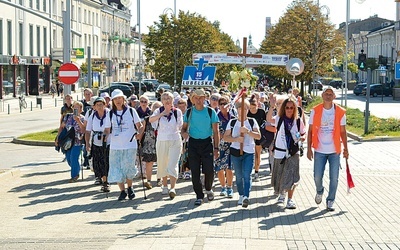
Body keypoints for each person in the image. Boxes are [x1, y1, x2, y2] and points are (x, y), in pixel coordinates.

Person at [307, 86, 349, 211]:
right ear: (322, 96)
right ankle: (319, 191)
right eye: (326, 93)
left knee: (334, 178)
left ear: (334, 97)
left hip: (334, 150)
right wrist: (309, 148)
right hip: (319, 150)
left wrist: (346, 148)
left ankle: (330, 200)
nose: (328, 96)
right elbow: (310, 131)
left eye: (331, 94)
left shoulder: (340, 112)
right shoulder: (315, 111)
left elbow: (343, 131)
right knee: (317, 176)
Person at [181, 88, 220, 206]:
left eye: (201, 98)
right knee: (195, 171)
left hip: (207, 143)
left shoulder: (210, 112)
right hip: (193, 144)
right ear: (192, 99)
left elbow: (216, 131)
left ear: (205, 98)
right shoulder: (189, 112)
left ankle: (208, 188)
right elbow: (183, 128)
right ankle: (199, 195)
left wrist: (216, 148)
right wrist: (184, 133)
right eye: (196, 98)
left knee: (209, 170)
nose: (198, 100)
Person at [267, 97, 306, 209]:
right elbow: (269, 119)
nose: (289, 110)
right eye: (287, 107)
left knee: (292, 175)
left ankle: (290, 199)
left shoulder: (298, 121)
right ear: (284, 108)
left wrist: (302, 138)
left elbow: (303, 133)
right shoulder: (279, 119)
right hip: (280, 152)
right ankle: (281, 194)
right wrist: (272, 106)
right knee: (280, 175)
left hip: (293, 152)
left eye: (291, 107)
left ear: (295, 109)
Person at [104, 89, 143, 201]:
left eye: (119, 98)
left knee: (128, 167)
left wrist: (139, 134)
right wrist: (105, 135)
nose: (118, 101)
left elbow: (139, 125)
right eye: (115, 99)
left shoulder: (131, 111)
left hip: (130, 144)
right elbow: (107, 129)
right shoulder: (110, 114)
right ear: (112, 101)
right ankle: (122, 191)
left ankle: (130, 187)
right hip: (115, 146)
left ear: (123, 99)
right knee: (116, 168)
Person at [223, 99, 261, 208]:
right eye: (240, 108)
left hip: (248, 152)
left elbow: (258, 136)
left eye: (245, 109)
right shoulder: (232, 122)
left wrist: (248, 131)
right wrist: (236, 139)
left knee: (246, 174)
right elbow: (225, 137)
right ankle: (240, 194)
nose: (242, 111)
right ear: (237, 110)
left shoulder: (252, 121)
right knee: (239, 176)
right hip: (236, 152)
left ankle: (246, 196)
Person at [150, 92, 183, 199]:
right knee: (162, 163)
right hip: (162, 140)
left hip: (174, 140)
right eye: (164, 98)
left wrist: (170, 113)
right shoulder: (158, 111)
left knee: (172, 164)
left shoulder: (177, 112)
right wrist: (162, 114)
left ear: (173, 100)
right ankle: (164, 185)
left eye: (169, 98)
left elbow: (180, 126)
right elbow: (151, 120)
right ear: (161, 100)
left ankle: (172, 188)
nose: (167, 100)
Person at [85, 97, 111, 192]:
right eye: (97, 105)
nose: (99, 107)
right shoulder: (92, 116)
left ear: (105, 105)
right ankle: (100, 178)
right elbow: (87, 131)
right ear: (94, 106)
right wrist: (87, 143)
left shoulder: (109, 114)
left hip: (107, 142)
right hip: (96, 142)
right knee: (97, 162)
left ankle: (106, 182)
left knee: (106, 162)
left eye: (101, 104)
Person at [55, 101, 86, 182]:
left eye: (78, 108)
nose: (76, 109)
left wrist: (78, 121)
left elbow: (84, 130)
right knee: (69, 159)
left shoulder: (83, 118)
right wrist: (58, 137)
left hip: (77, 141)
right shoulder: (68, 117)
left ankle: (74, 176)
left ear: (81, 109)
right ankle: (77, 168)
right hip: (68, 142)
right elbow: (62, 127)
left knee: (73, 158)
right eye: (74, 108)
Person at [215, 95, 234, 198]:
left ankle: (230, 187)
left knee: (230, 167)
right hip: (219, 145)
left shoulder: (233, 116)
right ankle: (223, 187)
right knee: (220, 167)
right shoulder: (216, 117)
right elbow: (213, 131)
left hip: (231, 145)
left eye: (225, 103)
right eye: (221, 104)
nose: (223, 106)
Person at [136, 95, 155, 189]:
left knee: (147, 157)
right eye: (142, 101)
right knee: (139, 154)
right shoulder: (136, 111)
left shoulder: (151, 112)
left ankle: (145, 173)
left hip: (148, 137)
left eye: (145, 102)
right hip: (139, 134)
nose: (143, 103)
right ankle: (140, 171)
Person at [247, 94, 267, 182]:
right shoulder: (247, 112)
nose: (252, 110)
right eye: (250, 108)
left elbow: (265, 122)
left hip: (258, 136)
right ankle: (248, 172)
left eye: (254, 107)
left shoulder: (261, 112)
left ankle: (256, 172)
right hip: (249, 136)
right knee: (249, 154)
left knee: (257, 154)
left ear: (257, 105)